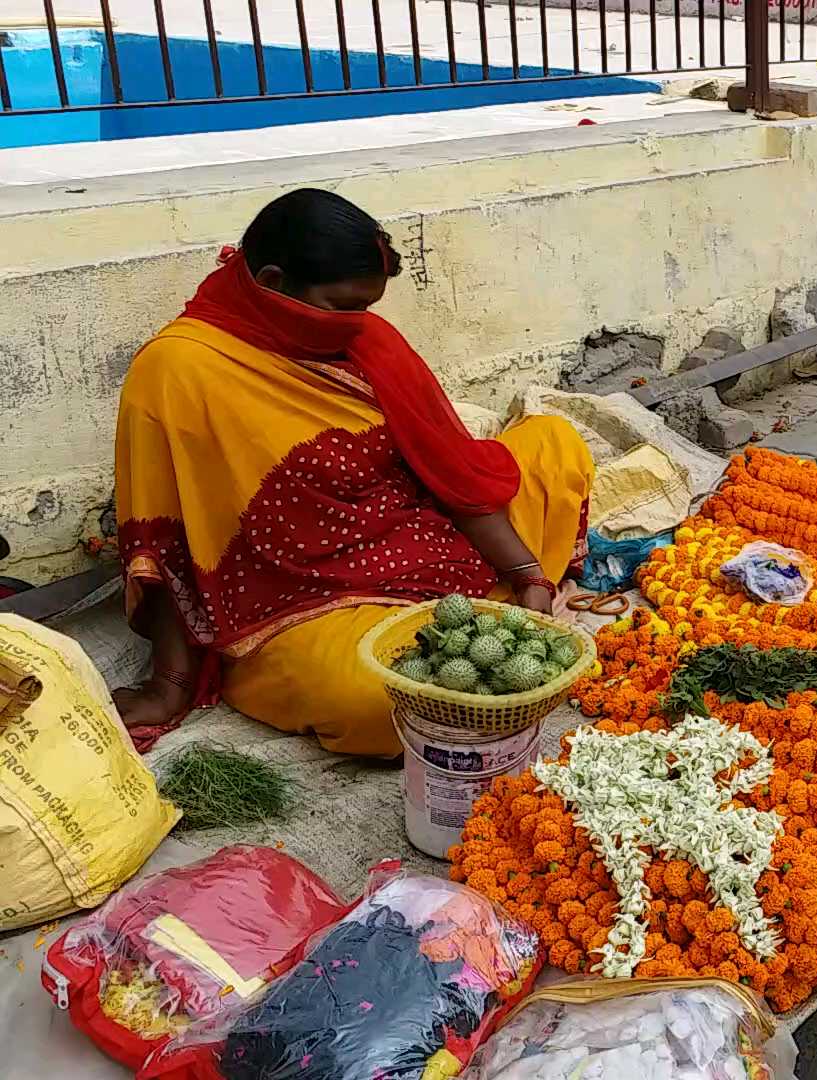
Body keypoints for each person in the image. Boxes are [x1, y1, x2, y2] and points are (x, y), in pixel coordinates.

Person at [112, 188, 594, 757]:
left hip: (428, 535)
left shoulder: (365, 336)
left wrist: (529, 574)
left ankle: (494, 596)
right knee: (376, 699)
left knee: (555, 443)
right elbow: (164, 539)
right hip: (298, 601)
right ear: (271, 281)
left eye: (366, 306)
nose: (356, 323)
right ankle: (473, 611)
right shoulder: (176, 370)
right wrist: (169, 685)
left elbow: (450, 469)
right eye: (341, 305)